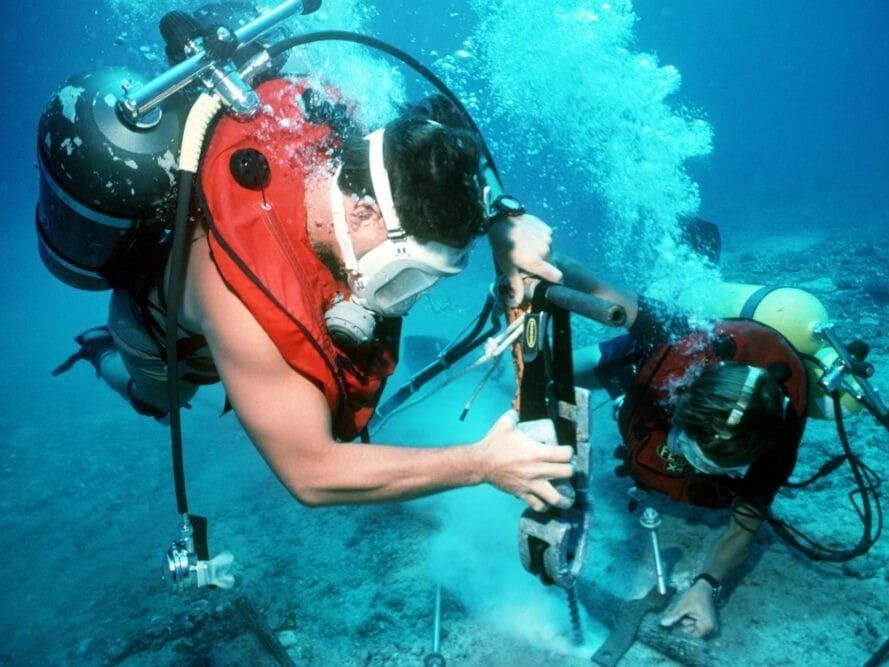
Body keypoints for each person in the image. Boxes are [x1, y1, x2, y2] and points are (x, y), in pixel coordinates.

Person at [54, 75, 575, 513]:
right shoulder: (237, 305)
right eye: (410, 276)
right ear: (362, 212)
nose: (409, 299)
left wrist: (505, 220)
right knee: (164, 401)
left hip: (236, 304)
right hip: (157, 338)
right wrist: (483, 463)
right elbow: (312, 473)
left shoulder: (357, 147)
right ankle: (99, 351)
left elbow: (445, 130)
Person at [571, 273, 810, 639]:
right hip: (648, 358)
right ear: (682, 401)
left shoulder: (779, 435)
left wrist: (705, 588)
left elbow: (745, 523)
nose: (692, 465)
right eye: (688, 449)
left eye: (712, 466)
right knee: (540, 374)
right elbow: (589, 282)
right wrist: (540, 261)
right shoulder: (675, 336)